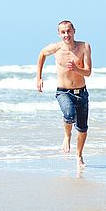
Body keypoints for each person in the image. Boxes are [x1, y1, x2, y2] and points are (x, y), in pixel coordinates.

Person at [36, 20, 92, 167]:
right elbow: (42, 54)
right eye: (63, 32)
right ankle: (67, 136)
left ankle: (79, 156)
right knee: (68, 114)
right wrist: (39, 77)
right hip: (63, 91)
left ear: (74, 31)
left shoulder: (84, 47)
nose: (66, 34)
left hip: (82, 93)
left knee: (82, 129)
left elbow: (88, 72)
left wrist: (76, 68)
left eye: (69, 31)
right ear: (59, 34)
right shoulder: (56, 48)